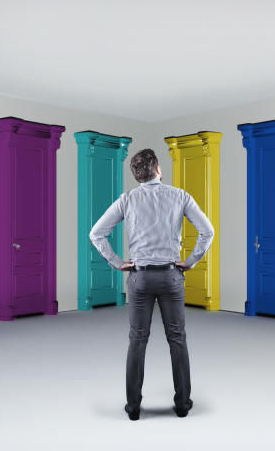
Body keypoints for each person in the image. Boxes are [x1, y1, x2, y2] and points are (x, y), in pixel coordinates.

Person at [89, 148, 214, 421]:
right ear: (158, 169)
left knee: (137, 341)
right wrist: (191, 261)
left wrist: (117, 261)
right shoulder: (180, 196)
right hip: (171, 277)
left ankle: (133, 408)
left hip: (140, 277)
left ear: (137, 176)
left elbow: (96, 233)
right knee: (177, 339)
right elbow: (208, 231)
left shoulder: (127, 199)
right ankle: (182, 404)